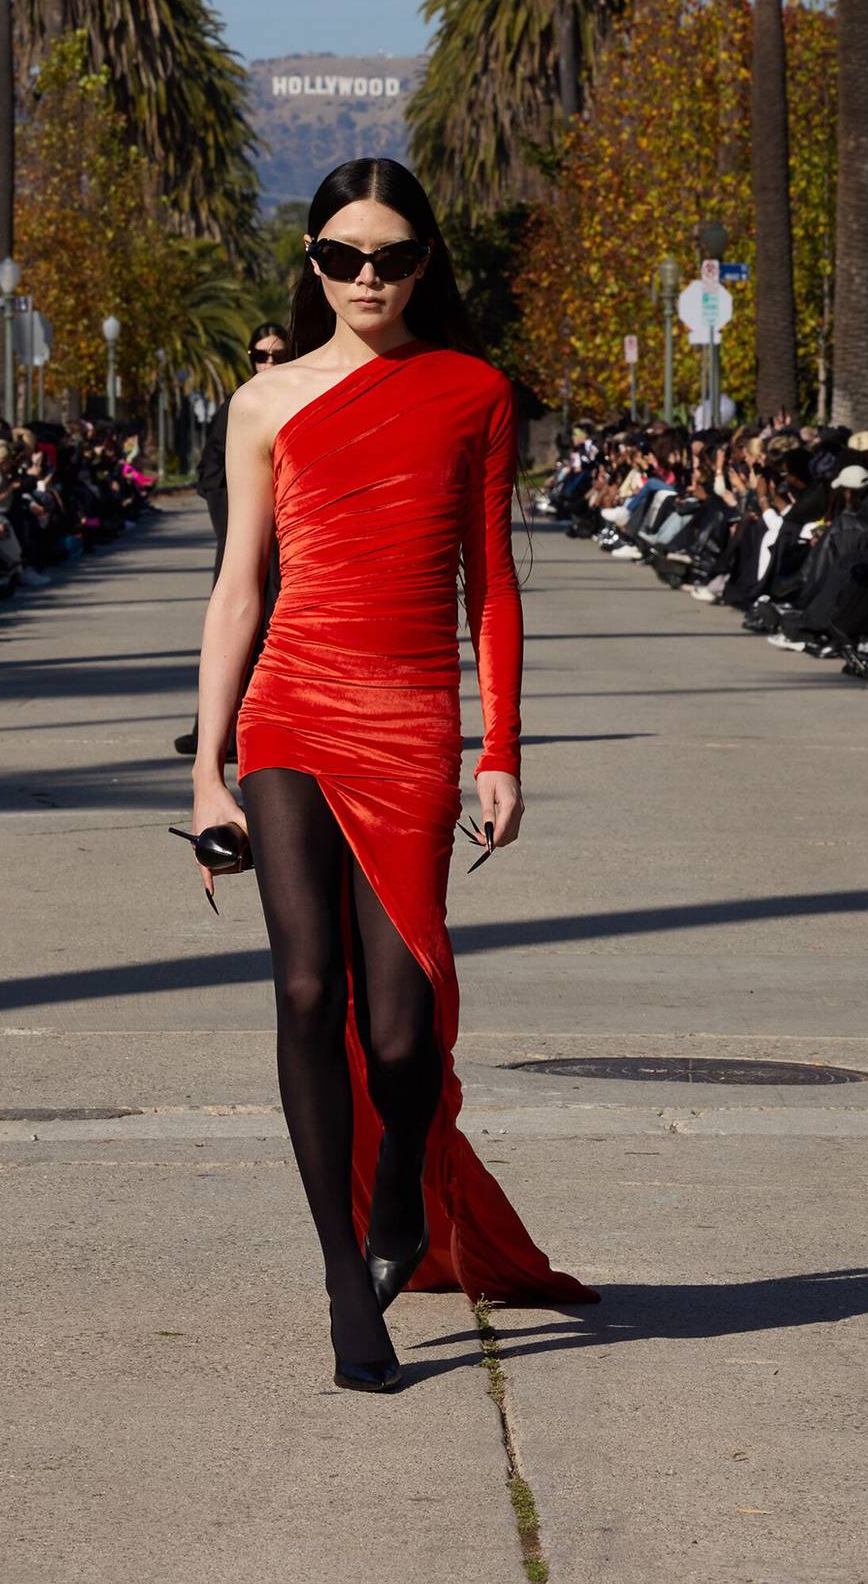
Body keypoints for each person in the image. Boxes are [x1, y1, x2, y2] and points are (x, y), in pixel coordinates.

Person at [189, 158, 597, 1396]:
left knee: (402, 1026)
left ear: (426, 263)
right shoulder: (263, 401)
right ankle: (340, 1285)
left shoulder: (475, 391)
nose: (368, 279)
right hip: (290, 714)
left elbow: (495, 586)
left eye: (393, 258)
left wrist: (503, 747)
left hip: (411, 722)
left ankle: (402, 1189)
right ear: (310, 261)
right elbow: (240, 589)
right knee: (309, 992)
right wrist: (207, 769)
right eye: (342, 258)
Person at [173, 321, 289, 758]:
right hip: (241, 539)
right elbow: (210, 470)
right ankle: (212, 732)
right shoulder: (238, 404)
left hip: (289, 542)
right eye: (262, 356)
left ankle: (263, 726)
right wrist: (236, 522)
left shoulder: (301, 398)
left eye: (279, 356)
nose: (270, 364)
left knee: (276, 630)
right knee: (231, 629)